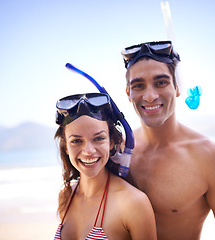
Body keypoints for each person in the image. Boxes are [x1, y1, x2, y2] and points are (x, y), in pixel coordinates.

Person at [120, 41, 215, 240]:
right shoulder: (114, 151)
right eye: (138, 85)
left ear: (178, 87)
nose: (150, 96)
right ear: (129, 93)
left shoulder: (211, 158)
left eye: (161, 82)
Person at [54, 92, 157, 240]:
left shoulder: (133, 203)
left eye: (98, 138)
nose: (88, 151)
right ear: (65, 147)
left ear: (112, 142)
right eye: (76, 141)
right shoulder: (66, 195)